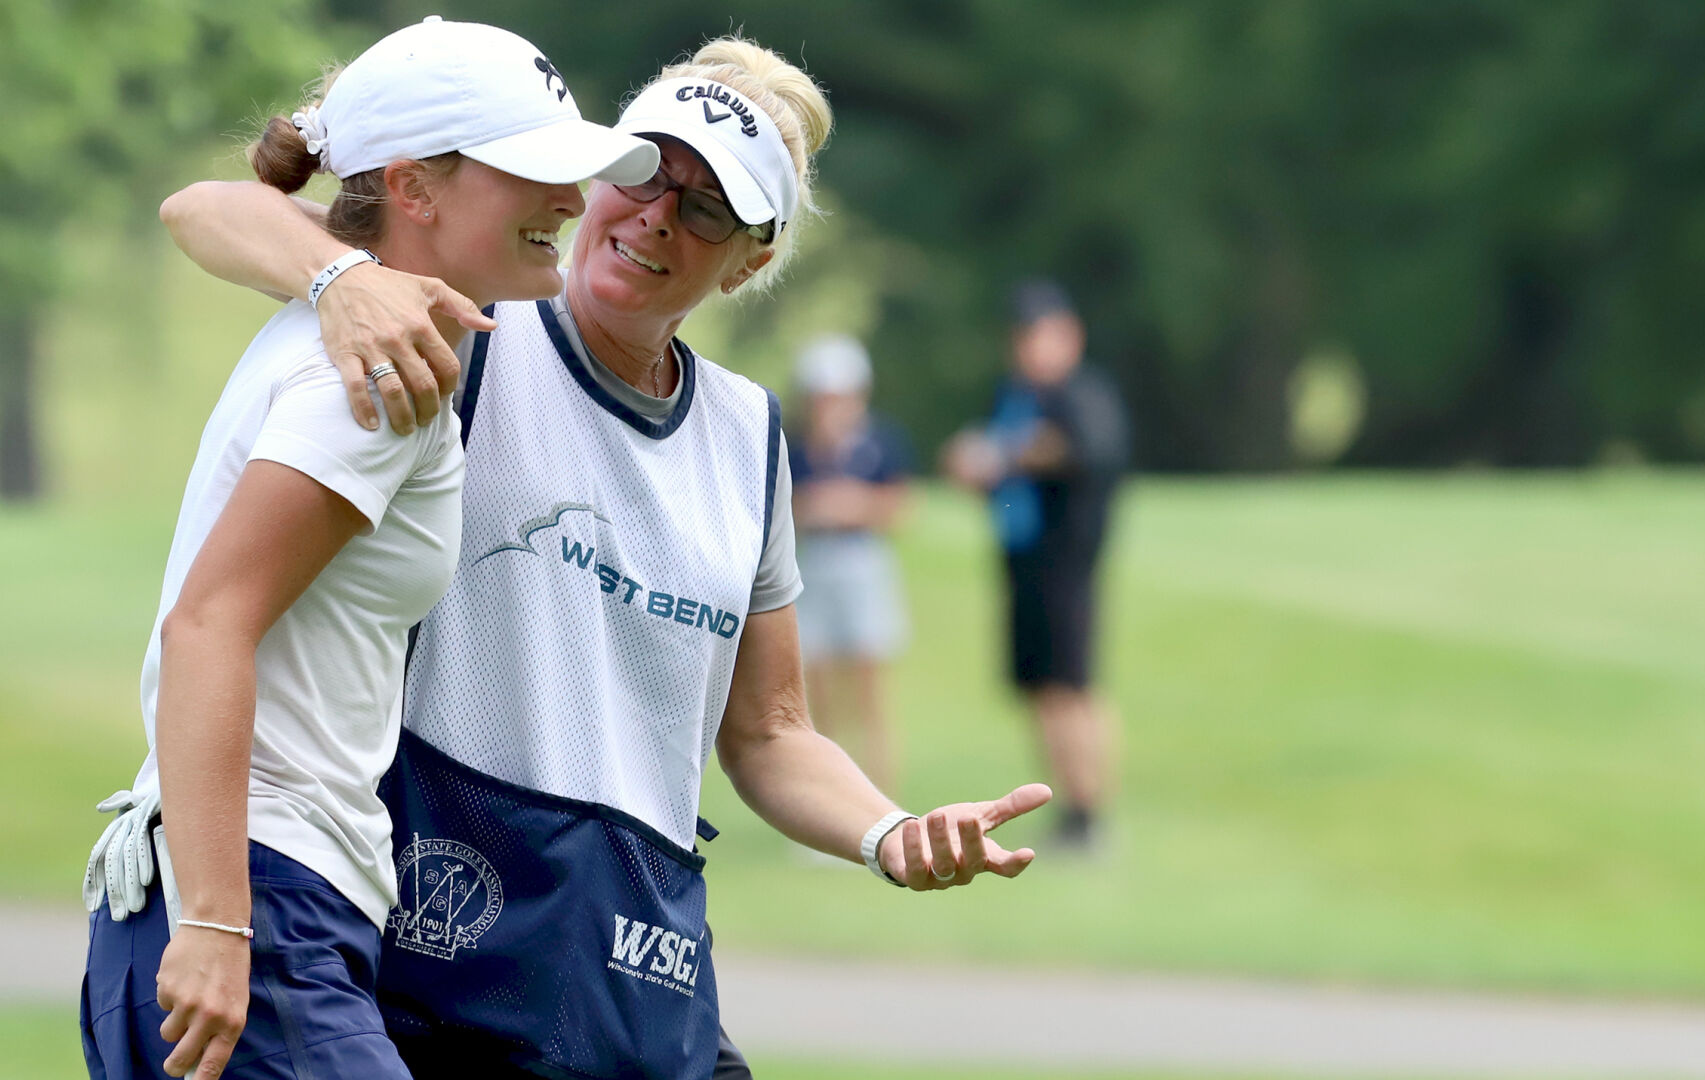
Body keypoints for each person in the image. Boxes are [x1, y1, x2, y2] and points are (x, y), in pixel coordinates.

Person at [157, 36, 1053, 1080]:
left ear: (752, 260)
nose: (658, 216)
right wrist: (343, 281)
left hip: (638, 961)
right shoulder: (465, 316)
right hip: (448, 956)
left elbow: (768, 730)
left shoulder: (746, 438)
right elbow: (205, 211)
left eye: (708, 207)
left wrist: (888, 834)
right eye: (644, 174)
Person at [78, 19, 657, 1080]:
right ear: (414, 189)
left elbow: (213, 210)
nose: (573, 204)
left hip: (266, 902)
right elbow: (209, 625)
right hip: (256, 905)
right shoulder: (378, 378)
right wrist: (216, 925)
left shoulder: (366, 321)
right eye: (534, 172)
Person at [942, 279, 1129, 853]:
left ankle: (1090, 813)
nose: (1031, 347)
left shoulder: (1079, 393)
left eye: (1042, 334)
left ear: (1068, 336)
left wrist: (999, 455)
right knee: (1041, 690)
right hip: (1023, 567)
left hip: (1066, 566)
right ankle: (1068, 812)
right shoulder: (1015, 396)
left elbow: (1078, 450)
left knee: (1073, 688)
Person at [786, 334, 913, 791]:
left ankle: (879, 796)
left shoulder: (880, 442)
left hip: (862, 563)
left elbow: (899, 508)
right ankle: (826, 799)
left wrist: (851, 505)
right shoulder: (794, 447)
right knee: (815, 688)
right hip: (811, 565)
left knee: (867, 691)